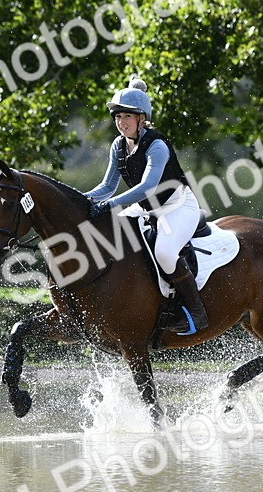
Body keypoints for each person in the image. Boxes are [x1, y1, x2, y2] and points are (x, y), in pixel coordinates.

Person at [84, 77, 209, 336]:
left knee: (164, 252)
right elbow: (107, 186)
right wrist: (79, 199)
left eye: (127, 116)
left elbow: (147, 187)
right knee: (108, 235)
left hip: (176, 205)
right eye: (118, 117)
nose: (121, 122)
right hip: (145, 208)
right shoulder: (118, 146)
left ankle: (197, 312)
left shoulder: (157, 146)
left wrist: (109, 205)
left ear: (142, 119)